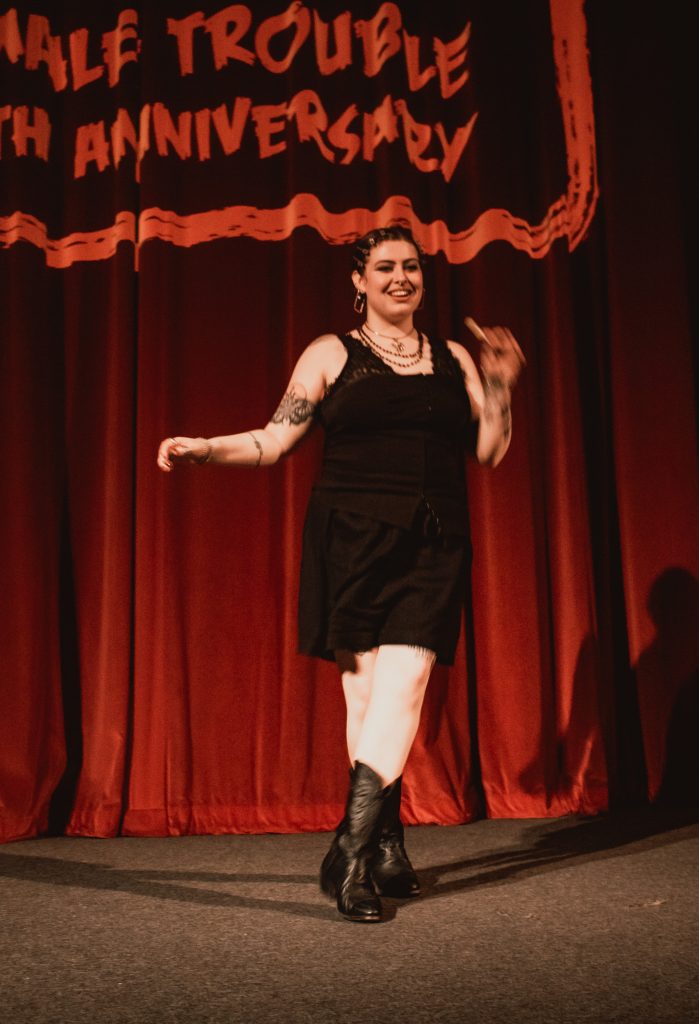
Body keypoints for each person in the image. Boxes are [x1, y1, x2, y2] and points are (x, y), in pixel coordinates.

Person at [157, 225, 525, 923]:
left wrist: (500, 384)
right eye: (384, 267)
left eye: (410, 267)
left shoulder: (451, 357)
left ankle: (346, 855)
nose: (400, 278)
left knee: (407, 685)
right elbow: (274, 440)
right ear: (358, 282)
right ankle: (385, 846)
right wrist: (206, 449)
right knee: (363, 705)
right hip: (350, 539)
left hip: (433, 540)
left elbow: (488, 449)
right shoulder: (331, 353)